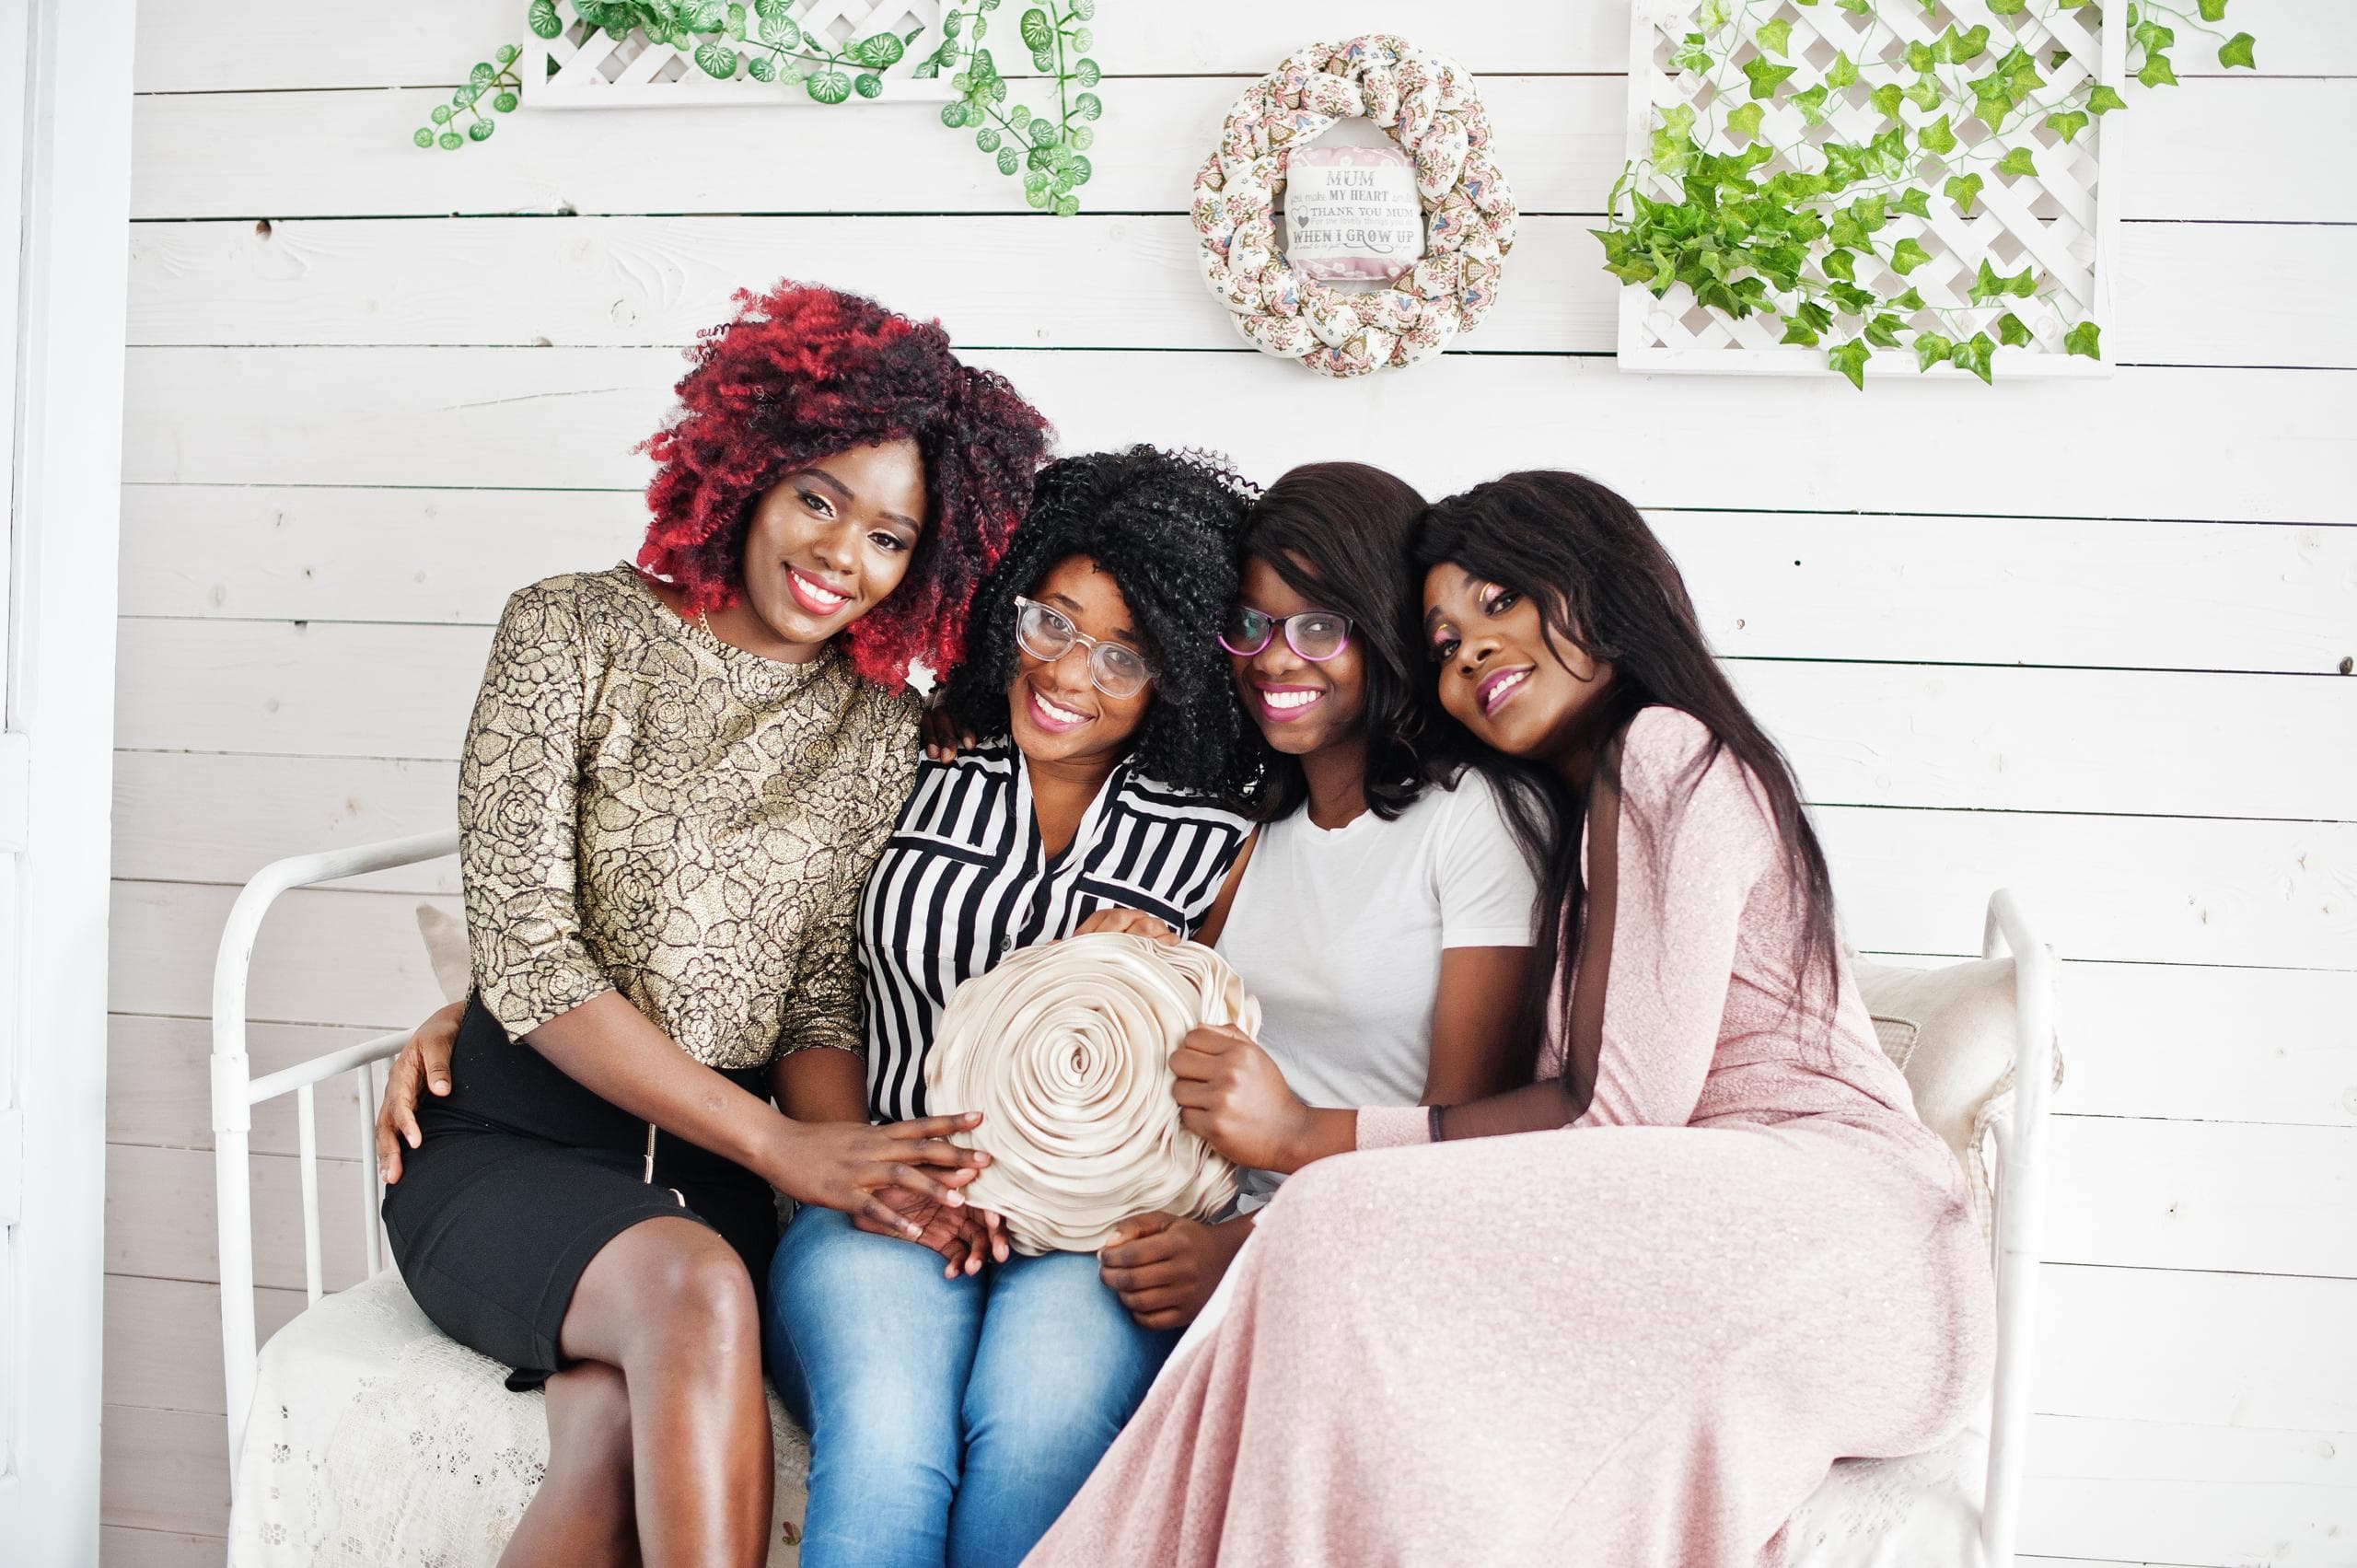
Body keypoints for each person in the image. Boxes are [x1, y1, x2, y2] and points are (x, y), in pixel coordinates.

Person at [1030, 470, 1995, 1567]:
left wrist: (1308, 1140)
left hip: (1847, 1236)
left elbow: (1622, 1110)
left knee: (1333, 1215)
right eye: (1441, 639)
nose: (1471, 648)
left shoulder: (1666, 752)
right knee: (1393, 1316)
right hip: (1726, 1227)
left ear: (1598, 586)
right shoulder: (1563, 824)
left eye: (1498, 601)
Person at [376, 281, 1050, 1568]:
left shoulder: (881, 731)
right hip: (510, 1146)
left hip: (709, 1185)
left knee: (611, 1431)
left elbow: (814, 996)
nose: (845, 555)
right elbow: (527, 950)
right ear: (744, 467)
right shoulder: (568, 629)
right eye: (820, 498)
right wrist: (790, 1148)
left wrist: (860, 1165)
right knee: (692, 1287)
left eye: (894, 537)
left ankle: (596, 1397)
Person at [767, 445, 1261, 1568]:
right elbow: (804, 981)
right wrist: (869, 1160)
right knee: (892, 1445)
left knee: (1037, 1428)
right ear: (1011, 602)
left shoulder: (1221, 837)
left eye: (1123, 655)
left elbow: (1246, 1056)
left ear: (1177, 670)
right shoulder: (904, 755)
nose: (1071, 673)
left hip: (1093, 1233)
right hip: (881, 1198)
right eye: (1053, 621)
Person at [1095, 461, 1539, 1330]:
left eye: (1319, 626)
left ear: (1385, 629)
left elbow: (1467, 1131)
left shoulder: (1476, 817)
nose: (1274, 657)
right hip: (1201, 1216)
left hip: (1363, 1250)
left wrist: (1245, 1249)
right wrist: (1140, 960)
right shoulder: (1251, 829)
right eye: (1252, 624)